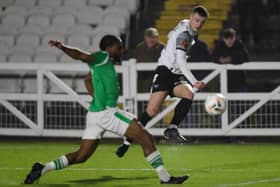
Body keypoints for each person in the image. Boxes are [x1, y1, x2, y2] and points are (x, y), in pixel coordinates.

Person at [23, 35, 188, 184]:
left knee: (81, 156)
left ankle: (42, 168)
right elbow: (81, 55)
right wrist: (62, 47)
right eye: (119, 47)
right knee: (146, 138)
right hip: (107, 113)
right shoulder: (102, 57)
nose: (121, 50)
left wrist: (96, 96)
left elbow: (88, 79)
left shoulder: (103, 64)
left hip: (95, 114)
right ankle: (165, 179)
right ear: (109, 48)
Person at [116, 6, 208, 157]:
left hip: (175, 75)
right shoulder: (184, 35)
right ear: (191, 18)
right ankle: (127, 142)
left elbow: (174, 35)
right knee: (151, 111)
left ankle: (172, 128)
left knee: (189, 94)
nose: (199, 24)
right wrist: (194, 81)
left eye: (202, 22)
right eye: (197, 20)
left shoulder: (187, 26)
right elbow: (180, 60)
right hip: (165, 73)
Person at [211, 28, 249, 92]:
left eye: (231, 38)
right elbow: (212, 58)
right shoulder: (219, 46)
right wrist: (220, 60)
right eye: (227, 39)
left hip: (238, 79)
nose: (229, 41)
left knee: (240, 99)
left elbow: (245, 58)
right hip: (222, 80)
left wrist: (231, 59)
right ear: (223, 38)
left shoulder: (239, 45)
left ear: (235, 38)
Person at [134, 27, 165, 92]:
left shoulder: (162, 47)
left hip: (157, 77)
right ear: (145, 37)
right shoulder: (140, 47)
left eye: (154, 37)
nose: (152, 39)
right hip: (143, 78)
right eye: (149, 37)